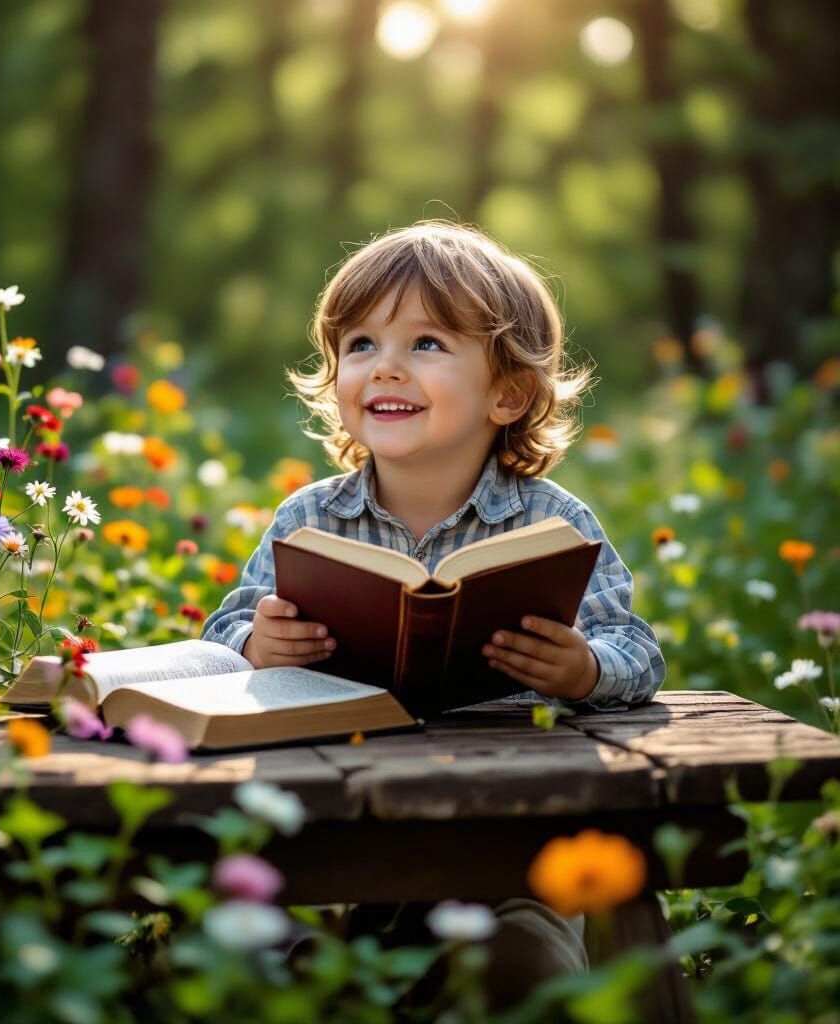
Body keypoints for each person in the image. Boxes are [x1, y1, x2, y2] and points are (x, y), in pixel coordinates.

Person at [201, 220, 666, 1008]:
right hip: (334, 823)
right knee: (248, 945)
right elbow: (223, 632)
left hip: (506, 831)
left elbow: (637, 651)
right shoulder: (309, 518)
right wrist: (257, 642)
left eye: (426, 344)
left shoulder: (550, 520)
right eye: (359, 345)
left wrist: (583, 667)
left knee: (524, 955)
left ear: (507, 391)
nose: (385, 367)